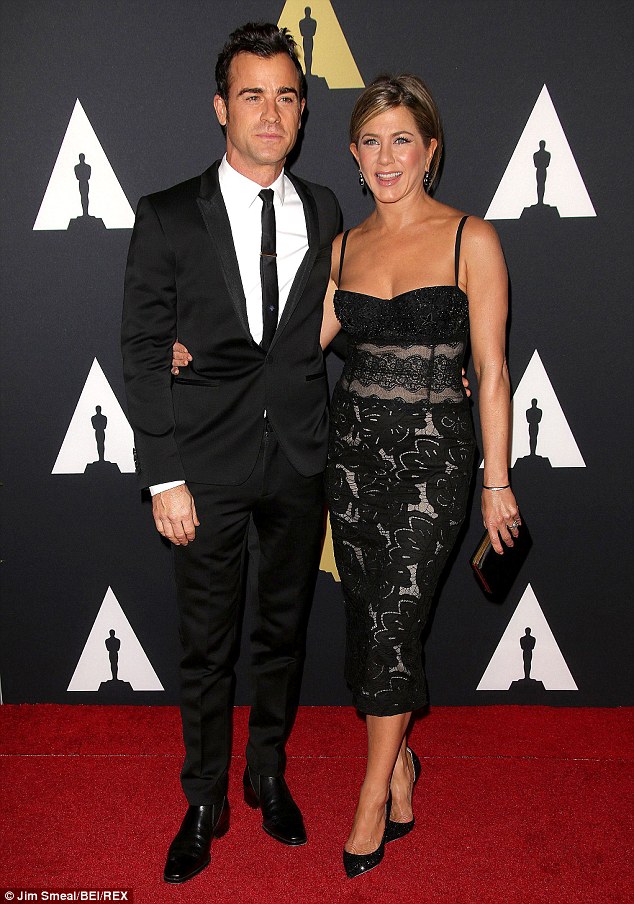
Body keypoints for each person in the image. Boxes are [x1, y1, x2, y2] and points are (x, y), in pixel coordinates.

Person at [121, 23, 341, 885]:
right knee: (207, 645)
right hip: (202, 467)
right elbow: (142, 348)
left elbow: (317, 324)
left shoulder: (324, 207)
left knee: (282, 636)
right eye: (253, 95)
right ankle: (203, 798)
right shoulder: (169, 214)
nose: (271, 112)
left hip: (298, 457)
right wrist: (163, 473)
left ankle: (268, 775)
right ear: (222, 107)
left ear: (302, 109)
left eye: (287, 96)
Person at [319, 74, 520, 878]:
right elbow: (292, 352)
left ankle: (371, 796)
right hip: (352, 460)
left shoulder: (473, 238)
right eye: (370, 141)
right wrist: (191, 350)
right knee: (368, 620)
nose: (386, 156)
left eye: (402, 138)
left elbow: (493, 371)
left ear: (430, 149)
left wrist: (496, 482)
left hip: (434, 466)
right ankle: (400, 766)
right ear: (354, 157)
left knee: (398, 619)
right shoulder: (342, 247)